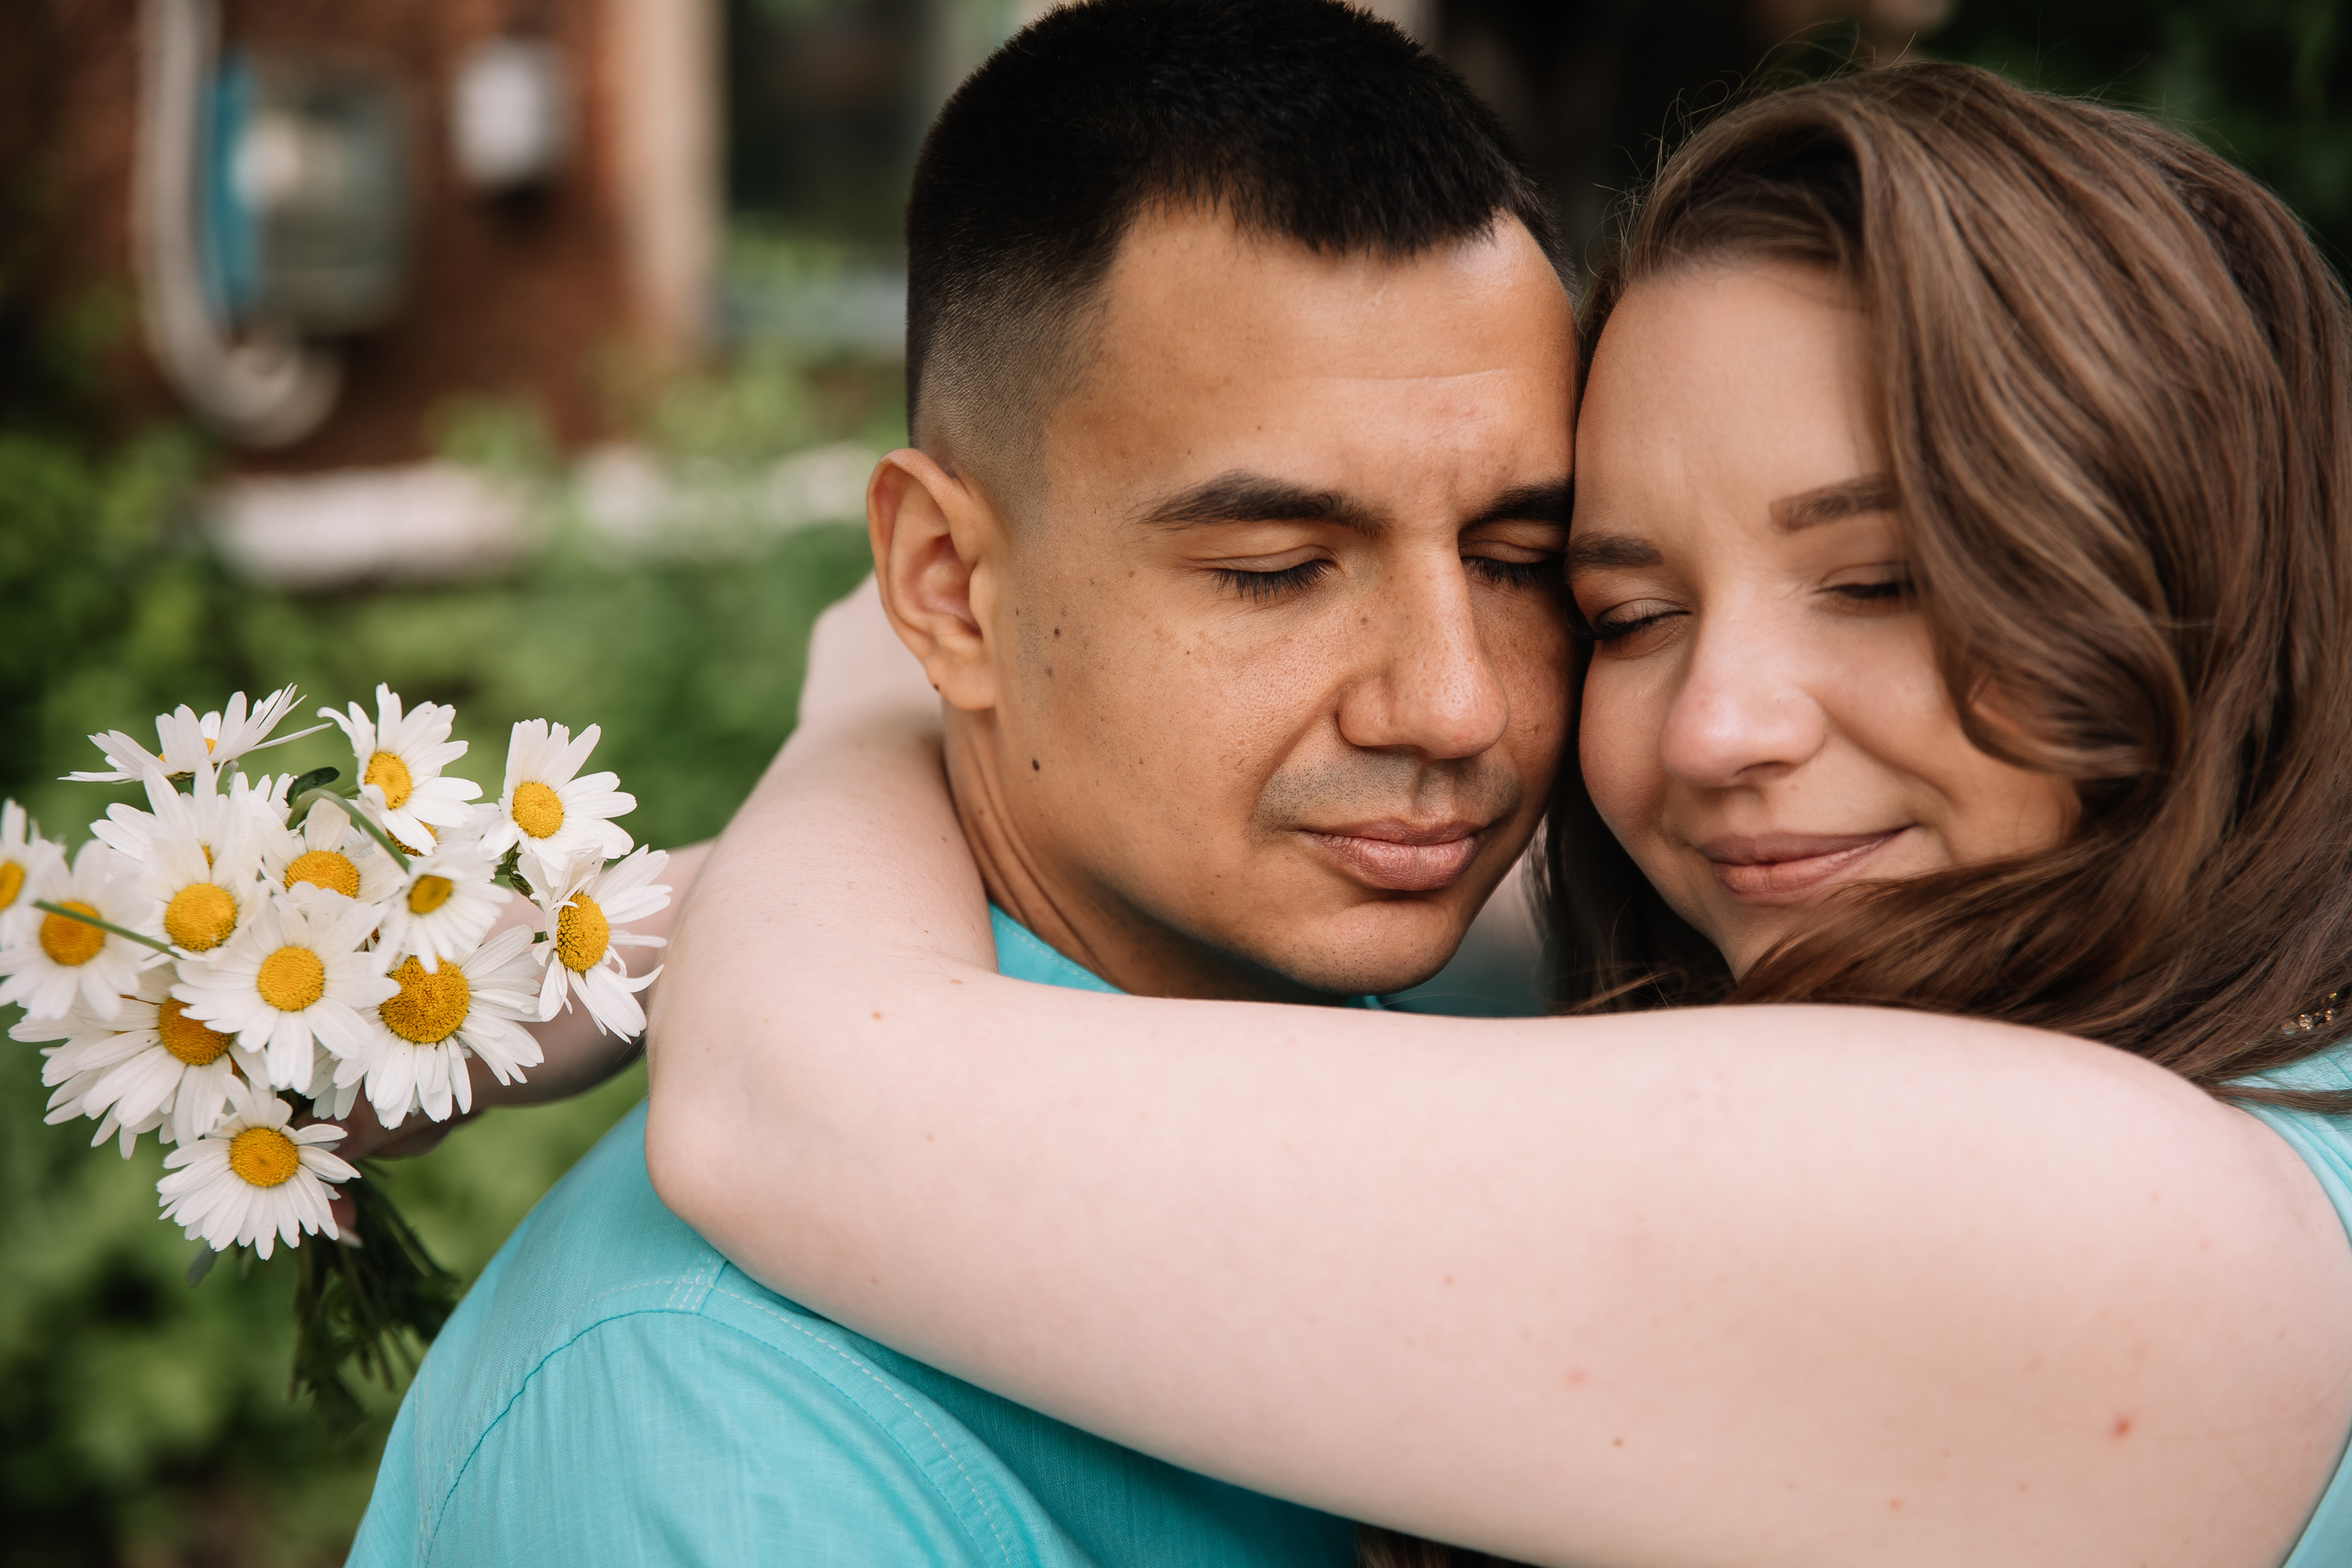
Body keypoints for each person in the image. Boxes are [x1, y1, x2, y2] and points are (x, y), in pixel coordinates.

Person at [647, 62, 2352, 1568]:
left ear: (2207, 570)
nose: (1717, 733)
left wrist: (877, 708)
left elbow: (794, 1097)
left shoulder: (2149, 1233)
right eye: (1623, 609)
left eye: (1887, 579)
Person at [347, 4, 1578, 1562]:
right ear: (942, 585)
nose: (1457, 704)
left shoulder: (1529, 1014)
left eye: (1524, 558)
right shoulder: (722, 1420)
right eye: (1277, 571)